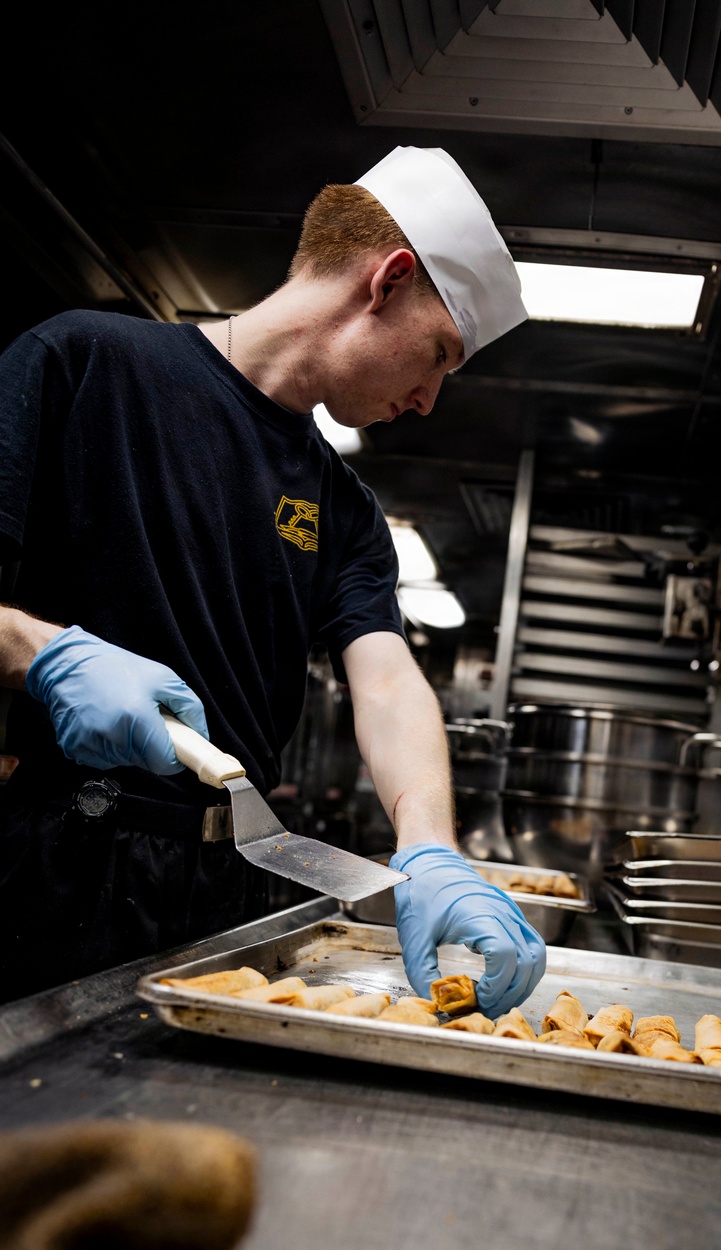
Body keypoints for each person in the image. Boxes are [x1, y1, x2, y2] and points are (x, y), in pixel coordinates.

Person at [0, 146, 546, 1011]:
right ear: (388, 279)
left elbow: (387, 683)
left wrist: (431, 846)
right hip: (56, 864)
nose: (429, 399)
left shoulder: (345, 509)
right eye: (439, 354)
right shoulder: (85, 365)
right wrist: (46, 654)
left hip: (229, 885)